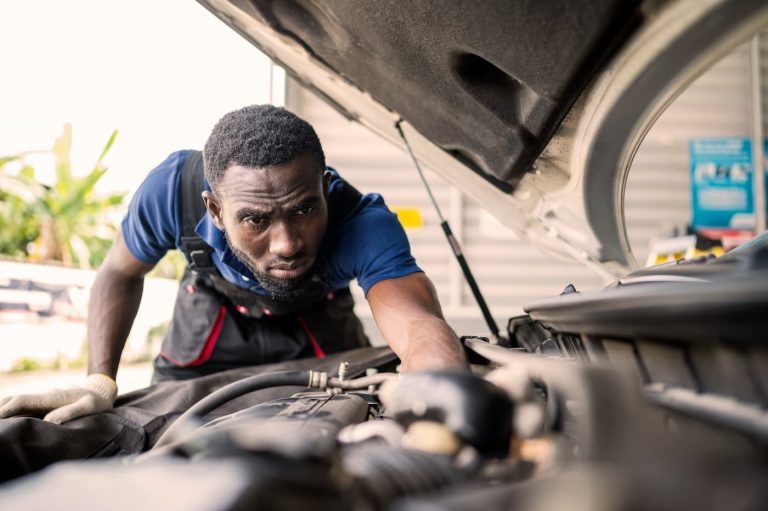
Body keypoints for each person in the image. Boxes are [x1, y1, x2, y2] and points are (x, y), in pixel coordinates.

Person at [0, 105, 466, 425]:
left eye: (304, 209)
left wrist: (439, 389)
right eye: (256, 220)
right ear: (215, 209)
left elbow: (417, 323)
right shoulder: (170, 193)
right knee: (158, 427)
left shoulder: (362, 221)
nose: (285, 244)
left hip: (319, 326)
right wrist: (100, 381)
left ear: (324, 186)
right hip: (211, 317)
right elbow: (119, 272)